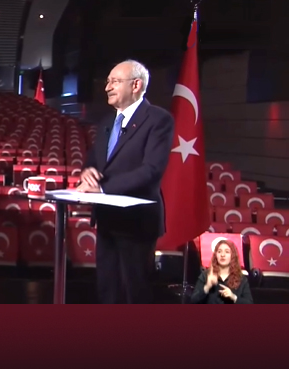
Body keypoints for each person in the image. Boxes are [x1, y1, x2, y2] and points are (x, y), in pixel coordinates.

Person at [76, 59, 174, 304]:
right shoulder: (107, 122)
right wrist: (87, 172)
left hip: (137, 223)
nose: (107, 87)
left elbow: (151, 170)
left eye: (115, 81)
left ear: (136, 85)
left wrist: (102, 188)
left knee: (135, 292)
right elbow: (94, 161)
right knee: (107, 289)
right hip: (107, 220)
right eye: (108, 81)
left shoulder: (158, 119)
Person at [190, 239, 253, 304]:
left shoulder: (241, 279)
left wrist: (234, 297)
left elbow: (249, 303)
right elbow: (193, 301)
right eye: (219, 251)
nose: (222, 255)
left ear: (233, 256)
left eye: (227, 252)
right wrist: (207, 287)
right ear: (216, 255)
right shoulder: (206, 275)